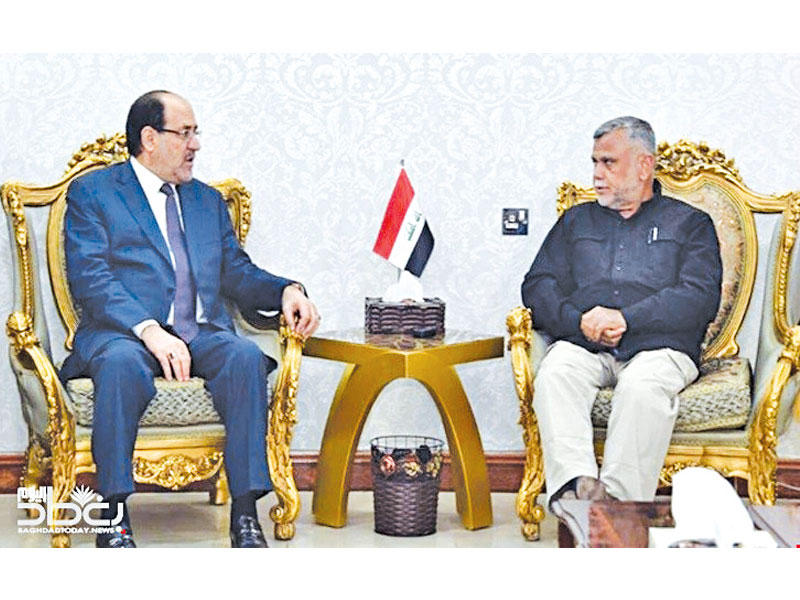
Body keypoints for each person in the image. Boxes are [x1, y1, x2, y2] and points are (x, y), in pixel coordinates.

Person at [59, 90, 320, 548]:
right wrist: (149, 330)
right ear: (149, 138)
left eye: (195, 133)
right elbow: (91, 278)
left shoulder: (206, 201)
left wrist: (286, 290)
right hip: (124, 334)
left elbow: (236, 272)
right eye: (184, 133)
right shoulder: (94, 193)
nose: (195, 144)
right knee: (120, 365)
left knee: (244, 356)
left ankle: (245, 513)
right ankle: (113, 513)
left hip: (198, 333)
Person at [521, 116, 722, 513]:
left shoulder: (690, 224)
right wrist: (578, 321)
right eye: (595, 162)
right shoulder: (575, 220)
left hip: (660, 349)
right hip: (585, 344)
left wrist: (628, 318)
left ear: (644, 166)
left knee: (642, 388)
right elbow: (538, 285)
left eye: (609, 162)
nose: (597, 174)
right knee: (555, 373)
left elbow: (699, 297)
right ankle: (577, 493)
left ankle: (618, 508)